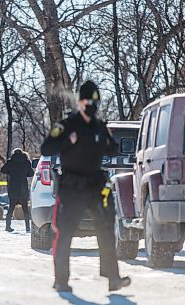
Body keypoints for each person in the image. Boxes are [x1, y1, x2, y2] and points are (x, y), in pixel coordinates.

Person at [41, 80, 131, 293]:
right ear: (80, 102)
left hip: (95, 186)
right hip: (72, 187)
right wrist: (67, 142)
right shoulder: (67, 125)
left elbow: (112, 150)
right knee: (65, 232)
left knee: (106, 229)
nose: (92, 105)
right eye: (88, 101)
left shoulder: (99, 126)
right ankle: (61, 280)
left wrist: (109, 142)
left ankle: (112, 277)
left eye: (95, 102)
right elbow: (46, 148)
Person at [1, 148, 34, 233]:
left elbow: (3, 170)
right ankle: (27, 227)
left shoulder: (10, 161)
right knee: (25, 208)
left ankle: (8, 226)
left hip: (13, 187)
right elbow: (31, 173)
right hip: (23, 186)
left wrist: (10, 171)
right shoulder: (26, 162)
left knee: (11, 207)